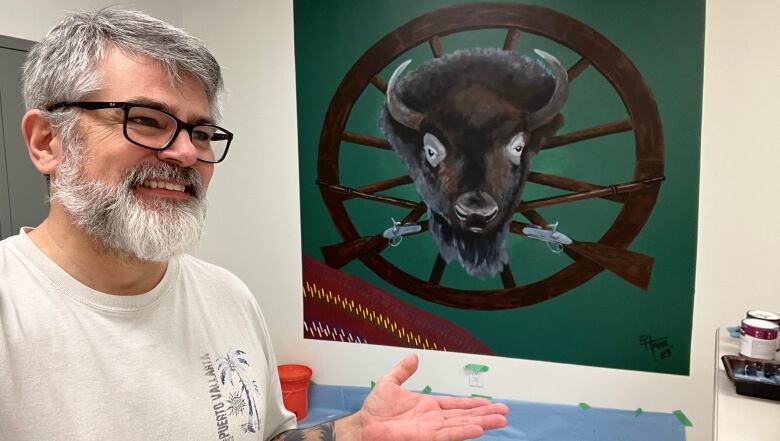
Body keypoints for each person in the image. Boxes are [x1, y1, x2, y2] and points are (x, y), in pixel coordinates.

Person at [0, 8, 509, 441]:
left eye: (201, 132)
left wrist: (345, 433)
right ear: (48, 141)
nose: (185, 153)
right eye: (147, 120)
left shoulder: (227, 297)